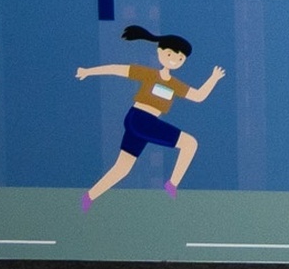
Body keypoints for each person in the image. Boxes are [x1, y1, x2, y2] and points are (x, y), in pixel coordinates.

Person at [79, 26, 221, 200]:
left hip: (141, 122)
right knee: (190, 143)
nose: (174, 61)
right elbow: (117, 69)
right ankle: (172, 184)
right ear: (160, 52)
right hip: (141, 119)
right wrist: (88, 71)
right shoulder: (149, 74)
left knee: (123, 166)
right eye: (170, 55)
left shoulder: (175, 85)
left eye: (180, 58)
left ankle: (89, 197)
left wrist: (213, 78)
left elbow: (198, 96)